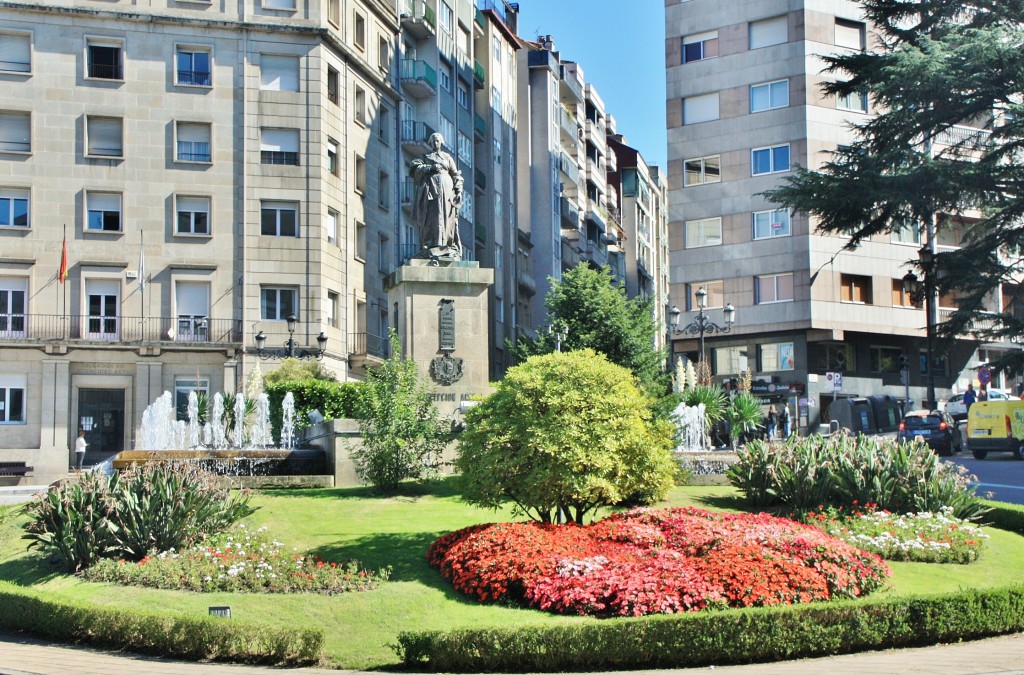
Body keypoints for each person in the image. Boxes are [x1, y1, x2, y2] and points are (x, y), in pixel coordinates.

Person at [410, 132, 464, 262]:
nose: (435, 143)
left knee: (447, 216)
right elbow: (414, 168)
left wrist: (459, 190)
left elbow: (456, 174)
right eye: (433, 141)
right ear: (430, 143)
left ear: (441, 142)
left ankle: (446, 244)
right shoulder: (426, 156)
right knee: (431, 216)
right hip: (431, 189)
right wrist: (430, 167)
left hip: (447, 189)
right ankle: (430, 244)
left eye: (438, 141)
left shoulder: (447, 157)